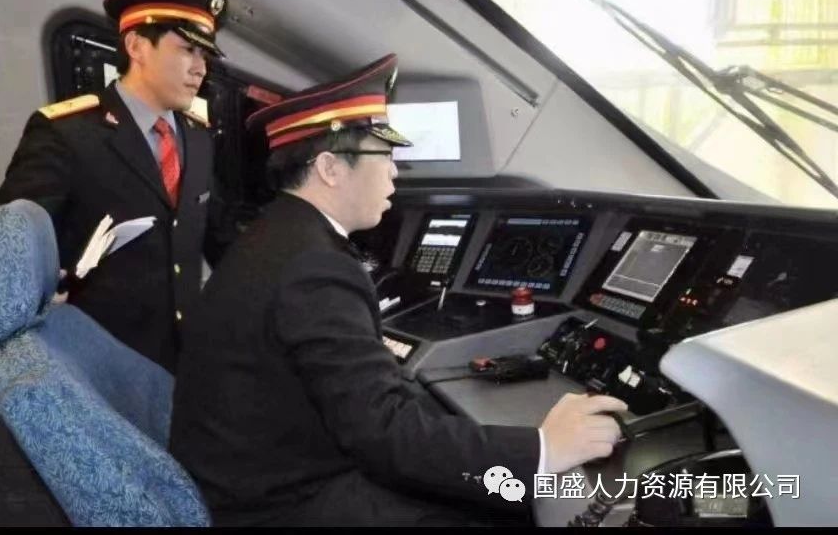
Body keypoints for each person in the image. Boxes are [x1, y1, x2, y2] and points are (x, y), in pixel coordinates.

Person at [169, 54, 627, 526]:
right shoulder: (314, 266)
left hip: (258, 477)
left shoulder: (277, 235)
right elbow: (384, 433)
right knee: (498, 510)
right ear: (330, 168)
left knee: (485, 492)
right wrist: (545, 447)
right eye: (384, 156)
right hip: (284, 505)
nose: (394, 173)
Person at [0, 0, 231, 373]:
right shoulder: (68, 134)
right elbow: (7, 247)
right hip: (100, 367)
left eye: (204, 54)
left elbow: (220, 237)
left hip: (185, 365)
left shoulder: (197, 136)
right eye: (188, 49)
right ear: (136, 46)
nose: (200, 68)